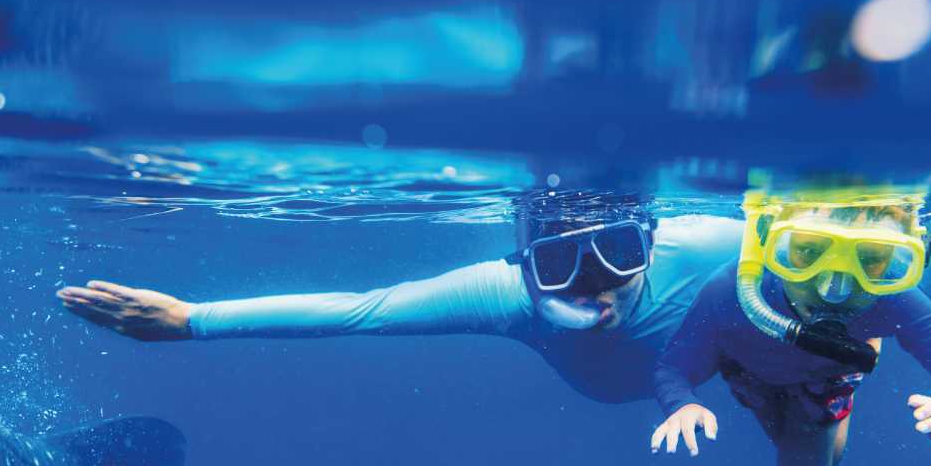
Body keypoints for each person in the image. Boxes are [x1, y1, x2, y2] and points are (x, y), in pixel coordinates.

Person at [57, 191, 742, 406]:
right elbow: (364, 309)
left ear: (650, 236)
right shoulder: (507, 295)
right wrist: (190, 321)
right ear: (527, 265)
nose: (596, 285)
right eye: (561, 264)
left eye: (619, 253)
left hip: (732, 355)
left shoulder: (713, 243)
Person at [649, 186, 931, 466]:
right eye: (809, 251)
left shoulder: (896, 301)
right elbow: (673, 367)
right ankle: (848, 368)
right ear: (766, 242)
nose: (834, 289)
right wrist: (682, 405)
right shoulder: (729, 289)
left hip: (823, 382)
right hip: (750, 372)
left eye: (870, 258)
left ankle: (837, 391)